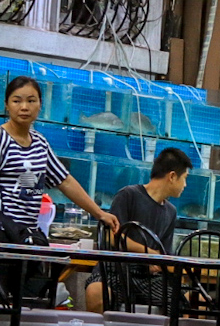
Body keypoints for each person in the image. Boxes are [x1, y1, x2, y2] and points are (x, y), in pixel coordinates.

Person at [1, 76, 117, 240]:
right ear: (6, 104)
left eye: (31, 101)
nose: (24, 107)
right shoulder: (2, 139)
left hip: (27, 235)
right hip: (3, 235)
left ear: (40, 104)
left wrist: (99, 213)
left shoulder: (40, 144)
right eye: (16, 101)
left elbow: (65, 181)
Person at [82, 148, 190, 313]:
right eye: (184, 178)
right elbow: (113, 237)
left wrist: (161, 264)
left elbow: (164, 254)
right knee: (96, 292)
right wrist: (149, 254)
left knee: (191, 299)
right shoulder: (128, 195)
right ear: (172, 176)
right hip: (116, 270)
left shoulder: (171, 212)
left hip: (149, 278)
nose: (185, 185)